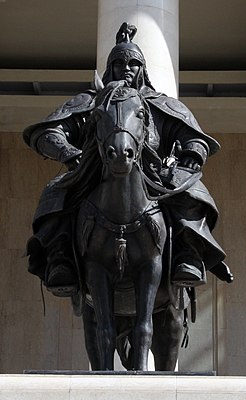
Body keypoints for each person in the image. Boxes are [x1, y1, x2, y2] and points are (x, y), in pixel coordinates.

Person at [23, 23, 233, 297]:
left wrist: (192, 153)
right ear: (110, 68)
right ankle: (60, 258)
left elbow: (194, 137)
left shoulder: (161, 103)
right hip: (93, 171)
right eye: (119, 62)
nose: (126, 68)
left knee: (193, 191)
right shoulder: (90, 102)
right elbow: (49, 132)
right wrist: (67, 152)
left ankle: (188, 254)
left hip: (155, 175)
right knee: (55, 191)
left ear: (142, 69)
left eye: (134, 63)